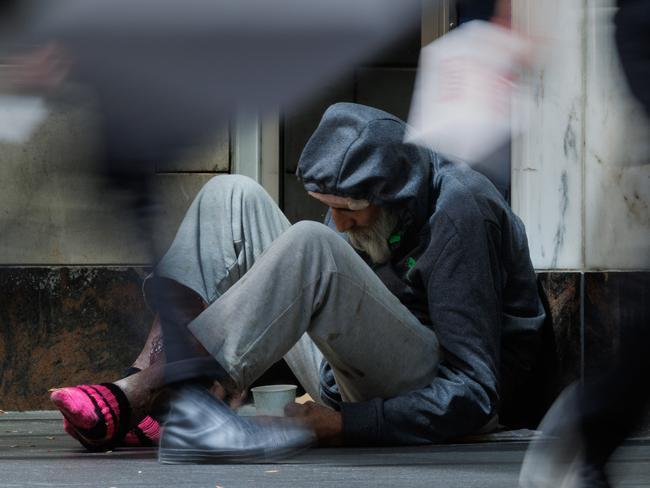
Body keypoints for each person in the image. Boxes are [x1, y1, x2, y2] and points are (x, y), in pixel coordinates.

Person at [50, 102, 544, 462]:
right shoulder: (365, 203)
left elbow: (476, 393)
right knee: (229, 195)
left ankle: (142, 394)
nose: (340, 223)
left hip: (434, 393)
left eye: (349, 212)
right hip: (342, 374)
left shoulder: (461, 212)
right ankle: (154, 408)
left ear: (396, 195)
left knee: (312, 244)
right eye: (331, 208)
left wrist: (344, 427)